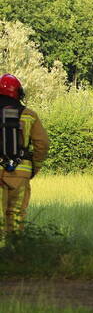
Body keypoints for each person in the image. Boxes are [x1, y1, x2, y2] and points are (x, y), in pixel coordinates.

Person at [0, 73, 49, 237]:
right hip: (19, 172)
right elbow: (42, 144)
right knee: (15, 215)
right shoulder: (29, 115)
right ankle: (14, 251)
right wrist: (34, 168)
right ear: (18, 92)